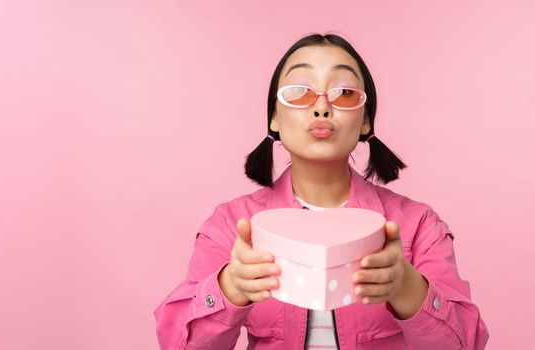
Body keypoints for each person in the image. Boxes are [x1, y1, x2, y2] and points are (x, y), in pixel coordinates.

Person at [153, 33, 489, 349]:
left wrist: (404, 285)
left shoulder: (417, 225)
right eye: (299, 90)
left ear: (366, 120)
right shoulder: (232, 225)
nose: (321, 107)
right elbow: (176, 342)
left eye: (344, 93)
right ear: (274, 117)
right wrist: (231, 286)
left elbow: (466, 343)